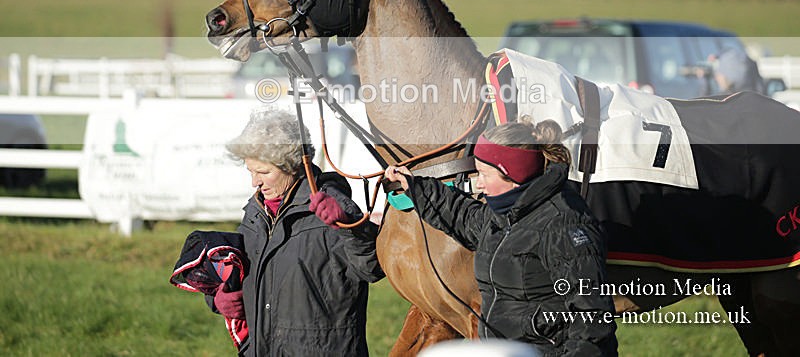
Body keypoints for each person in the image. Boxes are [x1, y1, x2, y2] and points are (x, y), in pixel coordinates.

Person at [385, 118, 618, 357]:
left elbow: (593, 319)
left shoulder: (563, 225)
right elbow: (462, 216)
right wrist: (415, 186)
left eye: (485, 174)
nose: (479, 184)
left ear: (512, 174)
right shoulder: (505, 214)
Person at [214, 108, 384, 357]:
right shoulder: (255, 212)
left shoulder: (332, 206)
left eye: (264, 172)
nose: (255, 182)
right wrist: (221, 297)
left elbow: (372, 268)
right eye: (251, 171)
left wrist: (351, 227)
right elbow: (247, 275)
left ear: (292, 165)